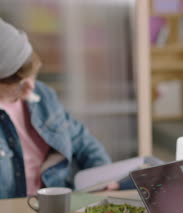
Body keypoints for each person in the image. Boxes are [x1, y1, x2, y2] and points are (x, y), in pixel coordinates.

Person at [0, 18, 113, 199]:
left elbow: (82, 140)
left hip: (57, 203)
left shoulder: (44, 95)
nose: (30, 88)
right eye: (18, 84)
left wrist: (103, 177)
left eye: (32, 77)